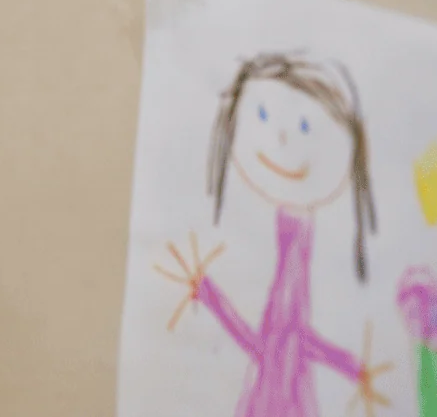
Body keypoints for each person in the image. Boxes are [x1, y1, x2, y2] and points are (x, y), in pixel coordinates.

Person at [161, 53, 391, 417]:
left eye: (305, 128)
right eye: (263, 117)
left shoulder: (297, 249)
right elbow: (281, 343)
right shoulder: (293, 246)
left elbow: (282, 342)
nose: (281, 138)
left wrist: (210, 296)